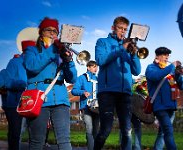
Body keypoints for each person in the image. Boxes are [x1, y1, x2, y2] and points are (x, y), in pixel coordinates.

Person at [23, 17, 77, 150]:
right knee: (37, 141)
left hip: (61, 99)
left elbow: (72, 78)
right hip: (39, 98)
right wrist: (52, 50)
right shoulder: (31, 50)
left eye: (55, 31)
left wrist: (69, 61)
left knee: (65, 140)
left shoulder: (61, 52)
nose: (53, 34)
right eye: (49, 30)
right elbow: (32, 66)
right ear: (41, 33)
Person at [93, 16, 141, 150]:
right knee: (105, 130)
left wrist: (133, 54)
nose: (123, 32)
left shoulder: (128, 48)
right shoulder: (102, 42)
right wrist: (121, 49)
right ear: (113, 28)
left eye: (125, 30)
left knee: (127, 131)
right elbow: (101, 61)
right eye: (120, 28)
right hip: (107, 92)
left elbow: (137, 71)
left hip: (125, 93)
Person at [145, 47, 183, 150]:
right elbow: (156, 76)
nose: (167, 57)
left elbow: (181, 86)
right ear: (157, 56)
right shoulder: (151, 68)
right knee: (168, 131)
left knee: (162, 133)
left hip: (171, 106)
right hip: (160, 106)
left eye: (168, 55)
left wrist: (179, 75)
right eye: (164, 55)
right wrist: (172, 66)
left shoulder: (171, 70)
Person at [71, 60, 99, 150]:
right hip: (86, 107)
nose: (96, 68)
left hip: (98, 108)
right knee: (89, 129)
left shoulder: (98, 78)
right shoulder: (82, 78)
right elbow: (74, 90)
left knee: (96, 130)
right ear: (88, 67)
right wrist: (83, 92)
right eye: (94, 66)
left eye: (96, 66)